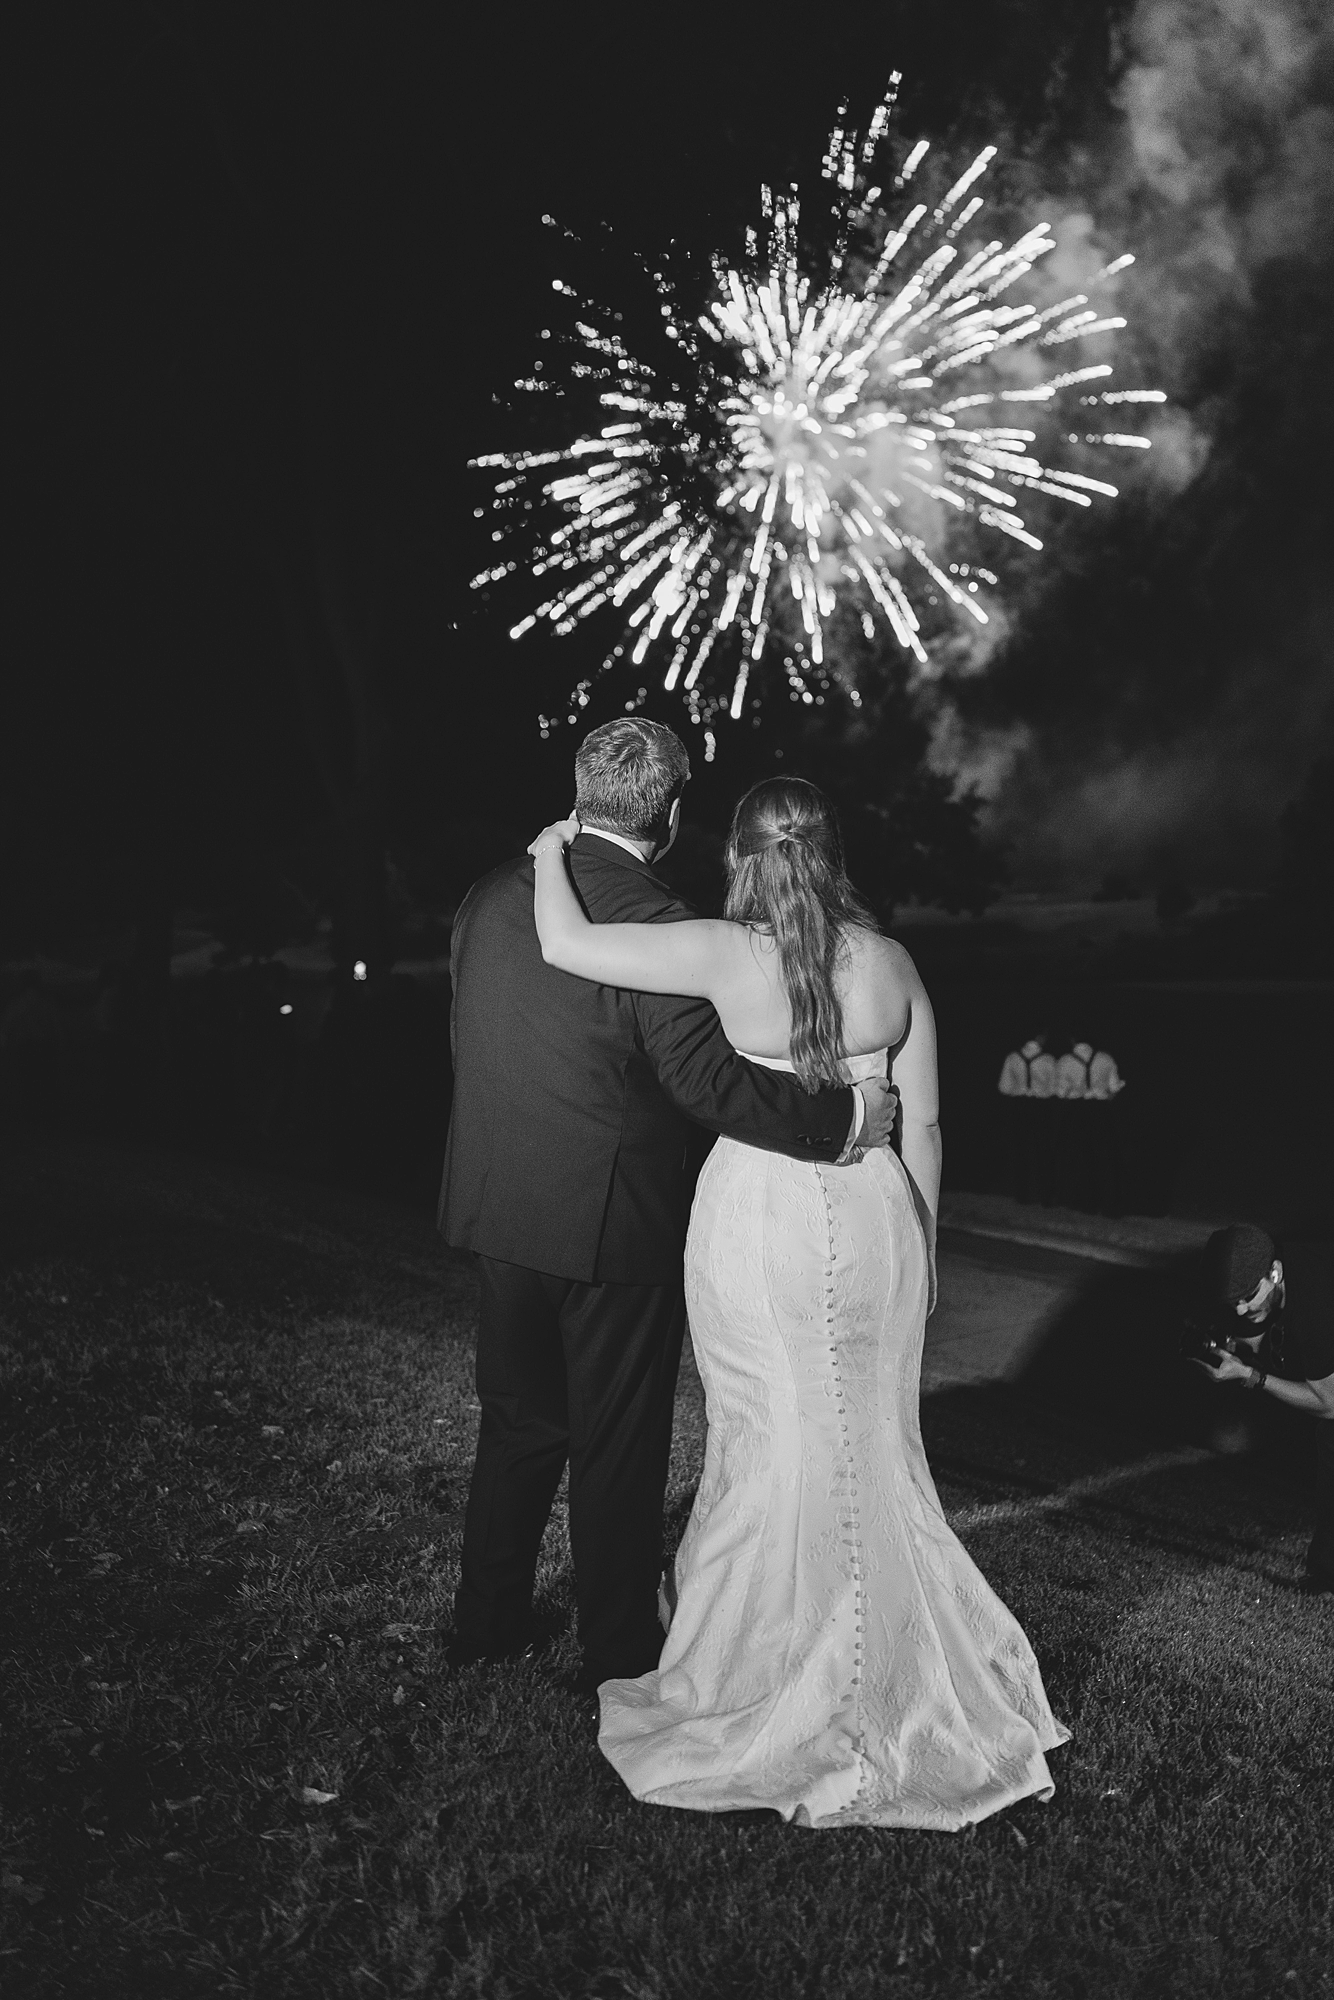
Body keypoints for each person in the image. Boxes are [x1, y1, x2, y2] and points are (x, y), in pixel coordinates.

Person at [529, 774, 1068, 1830]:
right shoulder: (894, 963)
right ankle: (896, 1672)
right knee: (872, 1448)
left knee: (765, 1437)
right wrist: (920, 1248)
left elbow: (564, 943)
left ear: (740, 856)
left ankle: (764, 1662)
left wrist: (554, 848)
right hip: (875, 1220)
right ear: (832, 853)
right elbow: (924, 1127)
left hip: (759, 1220)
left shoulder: (720, 951)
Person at [439, 720, 897, 1695]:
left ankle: (484, 1625)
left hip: (499, 1204)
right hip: (612, 1219)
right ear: (674, 810)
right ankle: (615, 1652)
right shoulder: (653, 918)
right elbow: (703, 1082)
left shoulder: (490, 893)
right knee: (617, 1440)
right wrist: (846, 1115)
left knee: (517, 1422)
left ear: (581, 788)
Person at [1191, 1223, 1334, 1592]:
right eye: (1232, 1301)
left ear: (1275, 1272)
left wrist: (1251, 1376)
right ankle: (1326, 1571)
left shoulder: (1316, 1303)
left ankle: (1326, 1571)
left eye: (1248, 1296)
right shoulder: (1258, 1277)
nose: (1241, 1308)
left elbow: (1329, 1404)